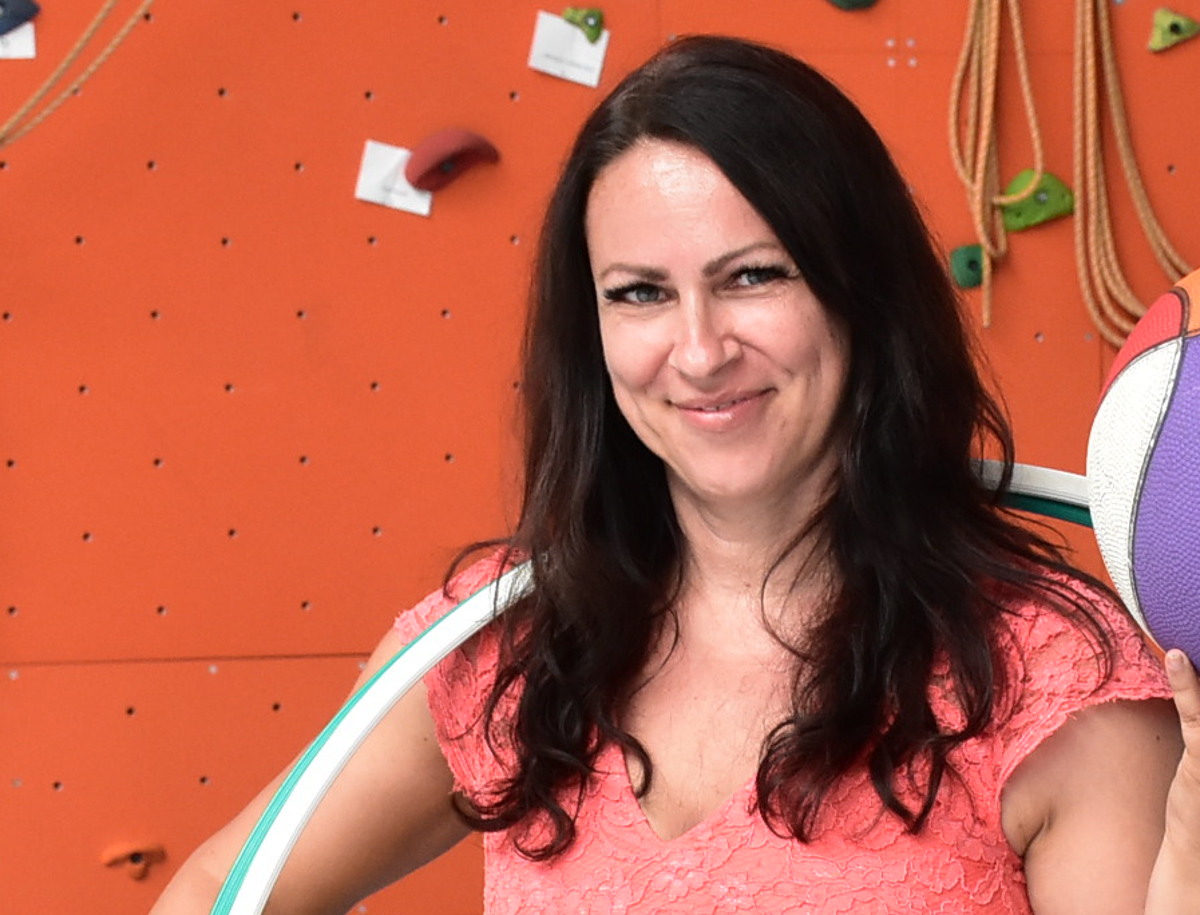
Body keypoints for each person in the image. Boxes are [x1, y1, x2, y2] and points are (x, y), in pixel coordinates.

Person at [152, 35, 1200, 914]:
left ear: (864, 296)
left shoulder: (1054, 679)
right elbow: (220, 890)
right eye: (640, 293)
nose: (698, 352)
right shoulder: (503, 643)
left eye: (754, 276)